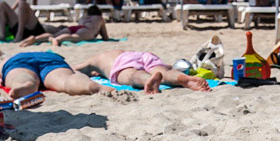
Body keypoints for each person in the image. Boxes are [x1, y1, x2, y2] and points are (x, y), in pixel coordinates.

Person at [73, 49, 211, 94]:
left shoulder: (94, 60)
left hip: (122, 62)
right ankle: (183, 78)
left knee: (133, 75)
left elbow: (73, 70)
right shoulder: (117, 51)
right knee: (163, 72)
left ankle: (147, 80)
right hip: (145, 54)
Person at [0, 51, 101, 98]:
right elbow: (75, 70)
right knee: (65, 80)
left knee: (22, 76)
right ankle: (89, 85)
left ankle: (26, 84)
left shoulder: (8, 59)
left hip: (19, 62)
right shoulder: (51, 53)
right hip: (52, 59)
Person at [19, 5, 109, 46]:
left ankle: (35, 38)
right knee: (73, 37)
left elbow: (79, 25)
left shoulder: (84, 17)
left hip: (75, 27)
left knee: (55, 34)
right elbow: (105, 37)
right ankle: (57, 40)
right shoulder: (99, 18)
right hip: (87, 29)